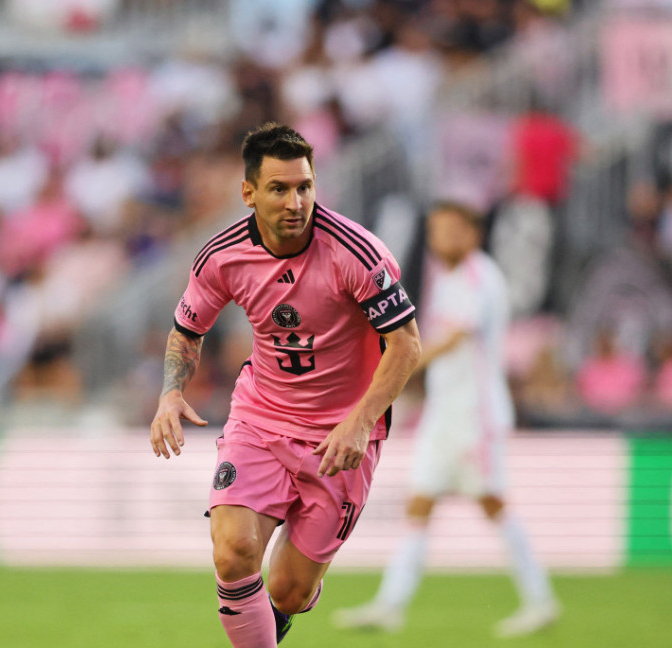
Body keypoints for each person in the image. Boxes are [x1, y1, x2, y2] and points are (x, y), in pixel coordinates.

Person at [150, 122, 422, 648]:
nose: (296, 201)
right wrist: (170, 391)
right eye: (279, 188)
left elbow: (406, 345)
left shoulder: (357, 254)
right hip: (261, 419)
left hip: (341, 436)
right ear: (249, 193)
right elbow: (187, 333)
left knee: (290, 590)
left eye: (305, 186)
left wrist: (359, 422)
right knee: (232, 550)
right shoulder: (222, 257)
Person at [332, 201, 559, 638]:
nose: (443, 239)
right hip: (446, 415)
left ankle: (541, 599)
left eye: (453, 230)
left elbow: (450, 340)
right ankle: (391, 604)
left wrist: (394, 366)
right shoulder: (451, 278)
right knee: (419, 504)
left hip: (476, 416)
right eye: (436, 230)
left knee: (493, 503)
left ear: (473, 234)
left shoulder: (477, 276)